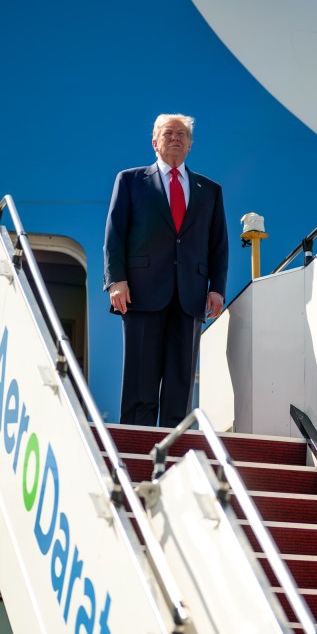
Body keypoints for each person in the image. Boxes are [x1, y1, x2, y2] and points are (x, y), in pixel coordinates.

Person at [103, 114, 229, 427]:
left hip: (191, 295)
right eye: (168, 133)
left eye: (182, 134)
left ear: (190, 144)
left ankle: (175, 454)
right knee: (140, 379)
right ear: (154, 142)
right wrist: (116, 280)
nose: (175, 138)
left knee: (180, 381)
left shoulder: (210, 190)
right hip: (142, 292)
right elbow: (114, 234)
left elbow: (218, 244)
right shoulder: (130, 180)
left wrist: (217, 288)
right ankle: (134, 451)